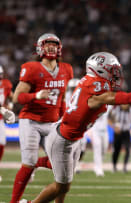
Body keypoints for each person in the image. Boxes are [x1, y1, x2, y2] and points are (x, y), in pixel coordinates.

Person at [24, 52, 131, 203]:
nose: (115, 75)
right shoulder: (96, 88)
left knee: (65, 186)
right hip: (63, 139)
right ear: (100, 70)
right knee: (61, 186)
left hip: (70, 136)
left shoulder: (91, 81)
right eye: (112, 71)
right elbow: (124, 98)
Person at [10, 33, 73, 203]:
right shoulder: (31, 68)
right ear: (40, 48)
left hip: (52, 123)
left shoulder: (67, 69)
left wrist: (64, 119)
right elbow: (17, 97)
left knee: (62, 165)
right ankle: (14, 202)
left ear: (59, 48)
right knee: (27, 162)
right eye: (47, 44)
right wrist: (36, 95)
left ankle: (37, 165)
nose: (51, 47)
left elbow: (62, 99)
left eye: (54, 44)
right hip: (31, 121)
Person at [108, 104, 131, 173]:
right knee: (116, 150)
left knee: (128, 149)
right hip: (118, 132)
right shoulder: (115, 110)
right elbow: (109, 120)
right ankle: (114, 166)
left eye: (126, 103)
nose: (125, 105)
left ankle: (125, 167)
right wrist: (114, 127)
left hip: (126, 132)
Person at [65, 78, 88, 174]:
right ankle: (70, 165)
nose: (74, 89)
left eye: (75, 87)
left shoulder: (84, 96)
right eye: (72, 88)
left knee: (83, 145)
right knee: (69, 146)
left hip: (80, 124)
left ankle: (78, 163)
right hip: (68, 124)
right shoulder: (66, 97)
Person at [0, 64, 16, 182]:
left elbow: (13, 97)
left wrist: (11, 105)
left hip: (0, 118)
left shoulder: (6, 84)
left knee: (1, 142)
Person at [88, 108, 110, 176]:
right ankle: (98, 168)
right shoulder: (95, 105)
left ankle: (99, 164)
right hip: (95, 131)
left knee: (104, 149)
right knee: (97, 149)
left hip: (104, 131)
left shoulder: (108, 106)